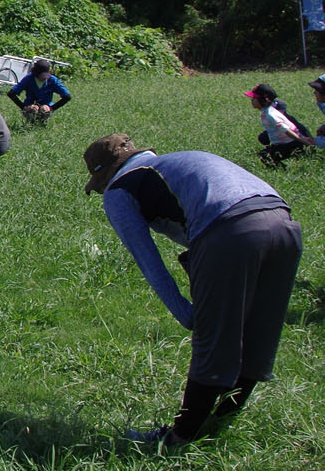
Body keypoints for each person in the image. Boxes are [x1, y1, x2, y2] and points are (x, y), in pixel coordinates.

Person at [84, 133, 303, 447]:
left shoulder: (119, 189)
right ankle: (218, 424)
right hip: (283, 224)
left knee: (213, 342)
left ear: (104, 176)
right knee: (258, 333)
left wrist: (185, 311)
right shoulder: (177, 160)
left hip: (231, 233)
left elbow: (148, 260)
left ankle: (180, 438)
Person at [246, 83, 314, 166]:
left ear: (264, 100)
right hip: (286, 142)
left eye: (254, 98)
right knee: (265, 154)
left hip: (290, 143)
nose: (252, 100)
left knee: (265, 157)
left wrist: (302, 140)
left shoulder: (270, 115)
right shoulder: (267, 112)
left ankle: (284, 170)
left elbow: (286, 130)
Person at [6, 58, 71, 125]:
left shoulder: (53, 80)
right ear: (35, 73)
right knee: (33, 109)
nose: (43, 78)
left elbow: (67, 97)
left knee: (44, 109)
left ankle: (42, 123)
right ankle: (30, 124)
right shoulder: (28, 79)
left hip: (46, 106)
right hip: (30, 106)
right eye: (41, 76)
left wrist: (52, 108)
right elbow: (11, 93)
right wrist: (23, 107)